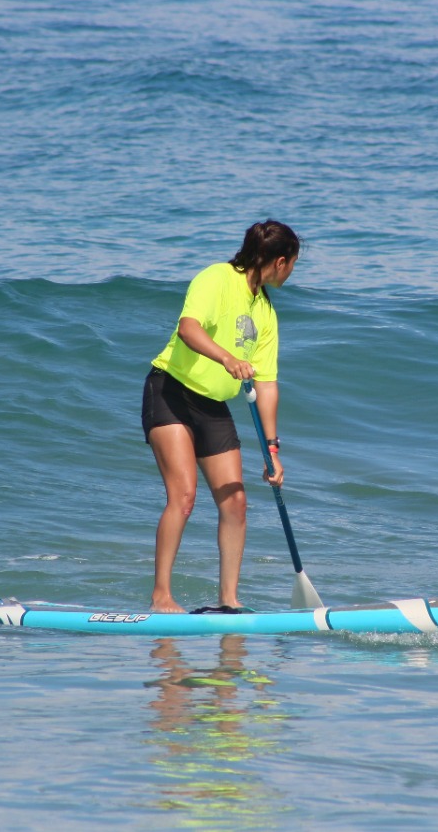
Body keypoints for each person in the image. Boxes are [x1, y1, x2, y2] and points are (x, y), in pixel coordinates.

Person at [141, 220, 300, 614]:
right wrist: (227, 358)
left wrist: (273, 450)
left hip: (212, 405)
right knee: (183, 496)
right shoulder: (217, 278)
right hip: (172, 391)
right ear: (280, 261)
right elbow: (188, 329)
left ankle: (228, 600)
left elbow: (267, 384)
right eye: (293, 264)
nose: (291, 272)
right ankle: (161, 596)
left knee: (236, 502)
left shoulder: (265, 311)